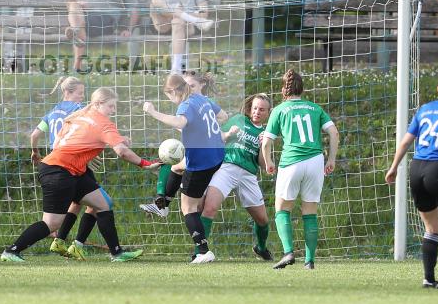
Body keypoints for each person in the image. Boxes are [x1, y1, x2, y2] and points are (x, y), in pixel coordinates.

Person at [2, 87, 153, 263]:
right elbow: (122, 152)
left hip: (65, 169)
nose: (113, 110)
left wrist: (81, 156)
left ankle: (117, 253)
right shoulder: (103, 123)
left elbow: (58, 143)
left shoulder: (78, 116)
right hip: (59, 172)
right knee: (51, 224)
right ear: (98, 103)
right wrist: (146, 164)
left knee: (103, 204)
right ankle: (12, 251)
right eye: (111, 106)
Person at [385, 72, 438, 291]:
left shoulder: (424, 109)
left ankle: (429, 279)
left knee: (431, 228)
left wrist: (393, 168)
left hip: (416, 169)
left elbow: (405, 142)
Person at [143, 74, 226, 264]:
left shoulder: (186, 105)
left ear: (173, 92)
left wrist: (153, 112)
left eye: (168, 96)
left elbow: (180, 122)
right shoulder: (200, 98)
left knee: (189, 207)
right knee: (176, 167)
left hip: (201, 162)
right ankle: (162, 206)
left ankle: (203, 251)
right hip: (216, 155)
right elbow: (223, 115)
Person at [262, 69, 339, 270]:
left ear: (283, 90)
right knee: (310, 211)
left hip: (291, 162)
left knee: (282, 209)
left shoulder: (280, 110)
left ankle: (288, 252)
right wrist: (331, 159)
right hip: (315, 162)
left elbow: (267, 142)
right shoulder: (315, 108)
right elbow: (334, 133)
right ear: (302, 89)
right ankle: (309, 261)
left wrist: (269, 162)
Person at [29, 76, 102, 260]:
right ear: (68, 92)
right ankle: (77, 244)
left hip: (56, 160)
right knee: (99, 204)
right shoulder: (78, 109)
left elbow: (34, 135)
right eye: (79, 93)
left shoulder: (52, 112)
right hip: (73, 161)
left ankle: (60, 241)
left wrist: (35, 152)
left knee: (77, 202)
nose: (82, 97)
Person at [200, 93, 273, 261]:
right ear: (250, 108)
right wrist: (228, 134)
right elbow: (217, 136)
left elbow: (263, 164)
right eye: (255, 108)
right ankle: (200, 251)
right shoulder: (238, 119)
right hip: (227, 168)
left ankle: (261, 248)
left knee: (262, 220)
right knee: (209, 208)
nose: (257, 112)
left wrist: (264, 145)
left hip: (248, 175)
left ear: (268, 112)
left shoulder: (266, 133)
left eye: (262, 110)